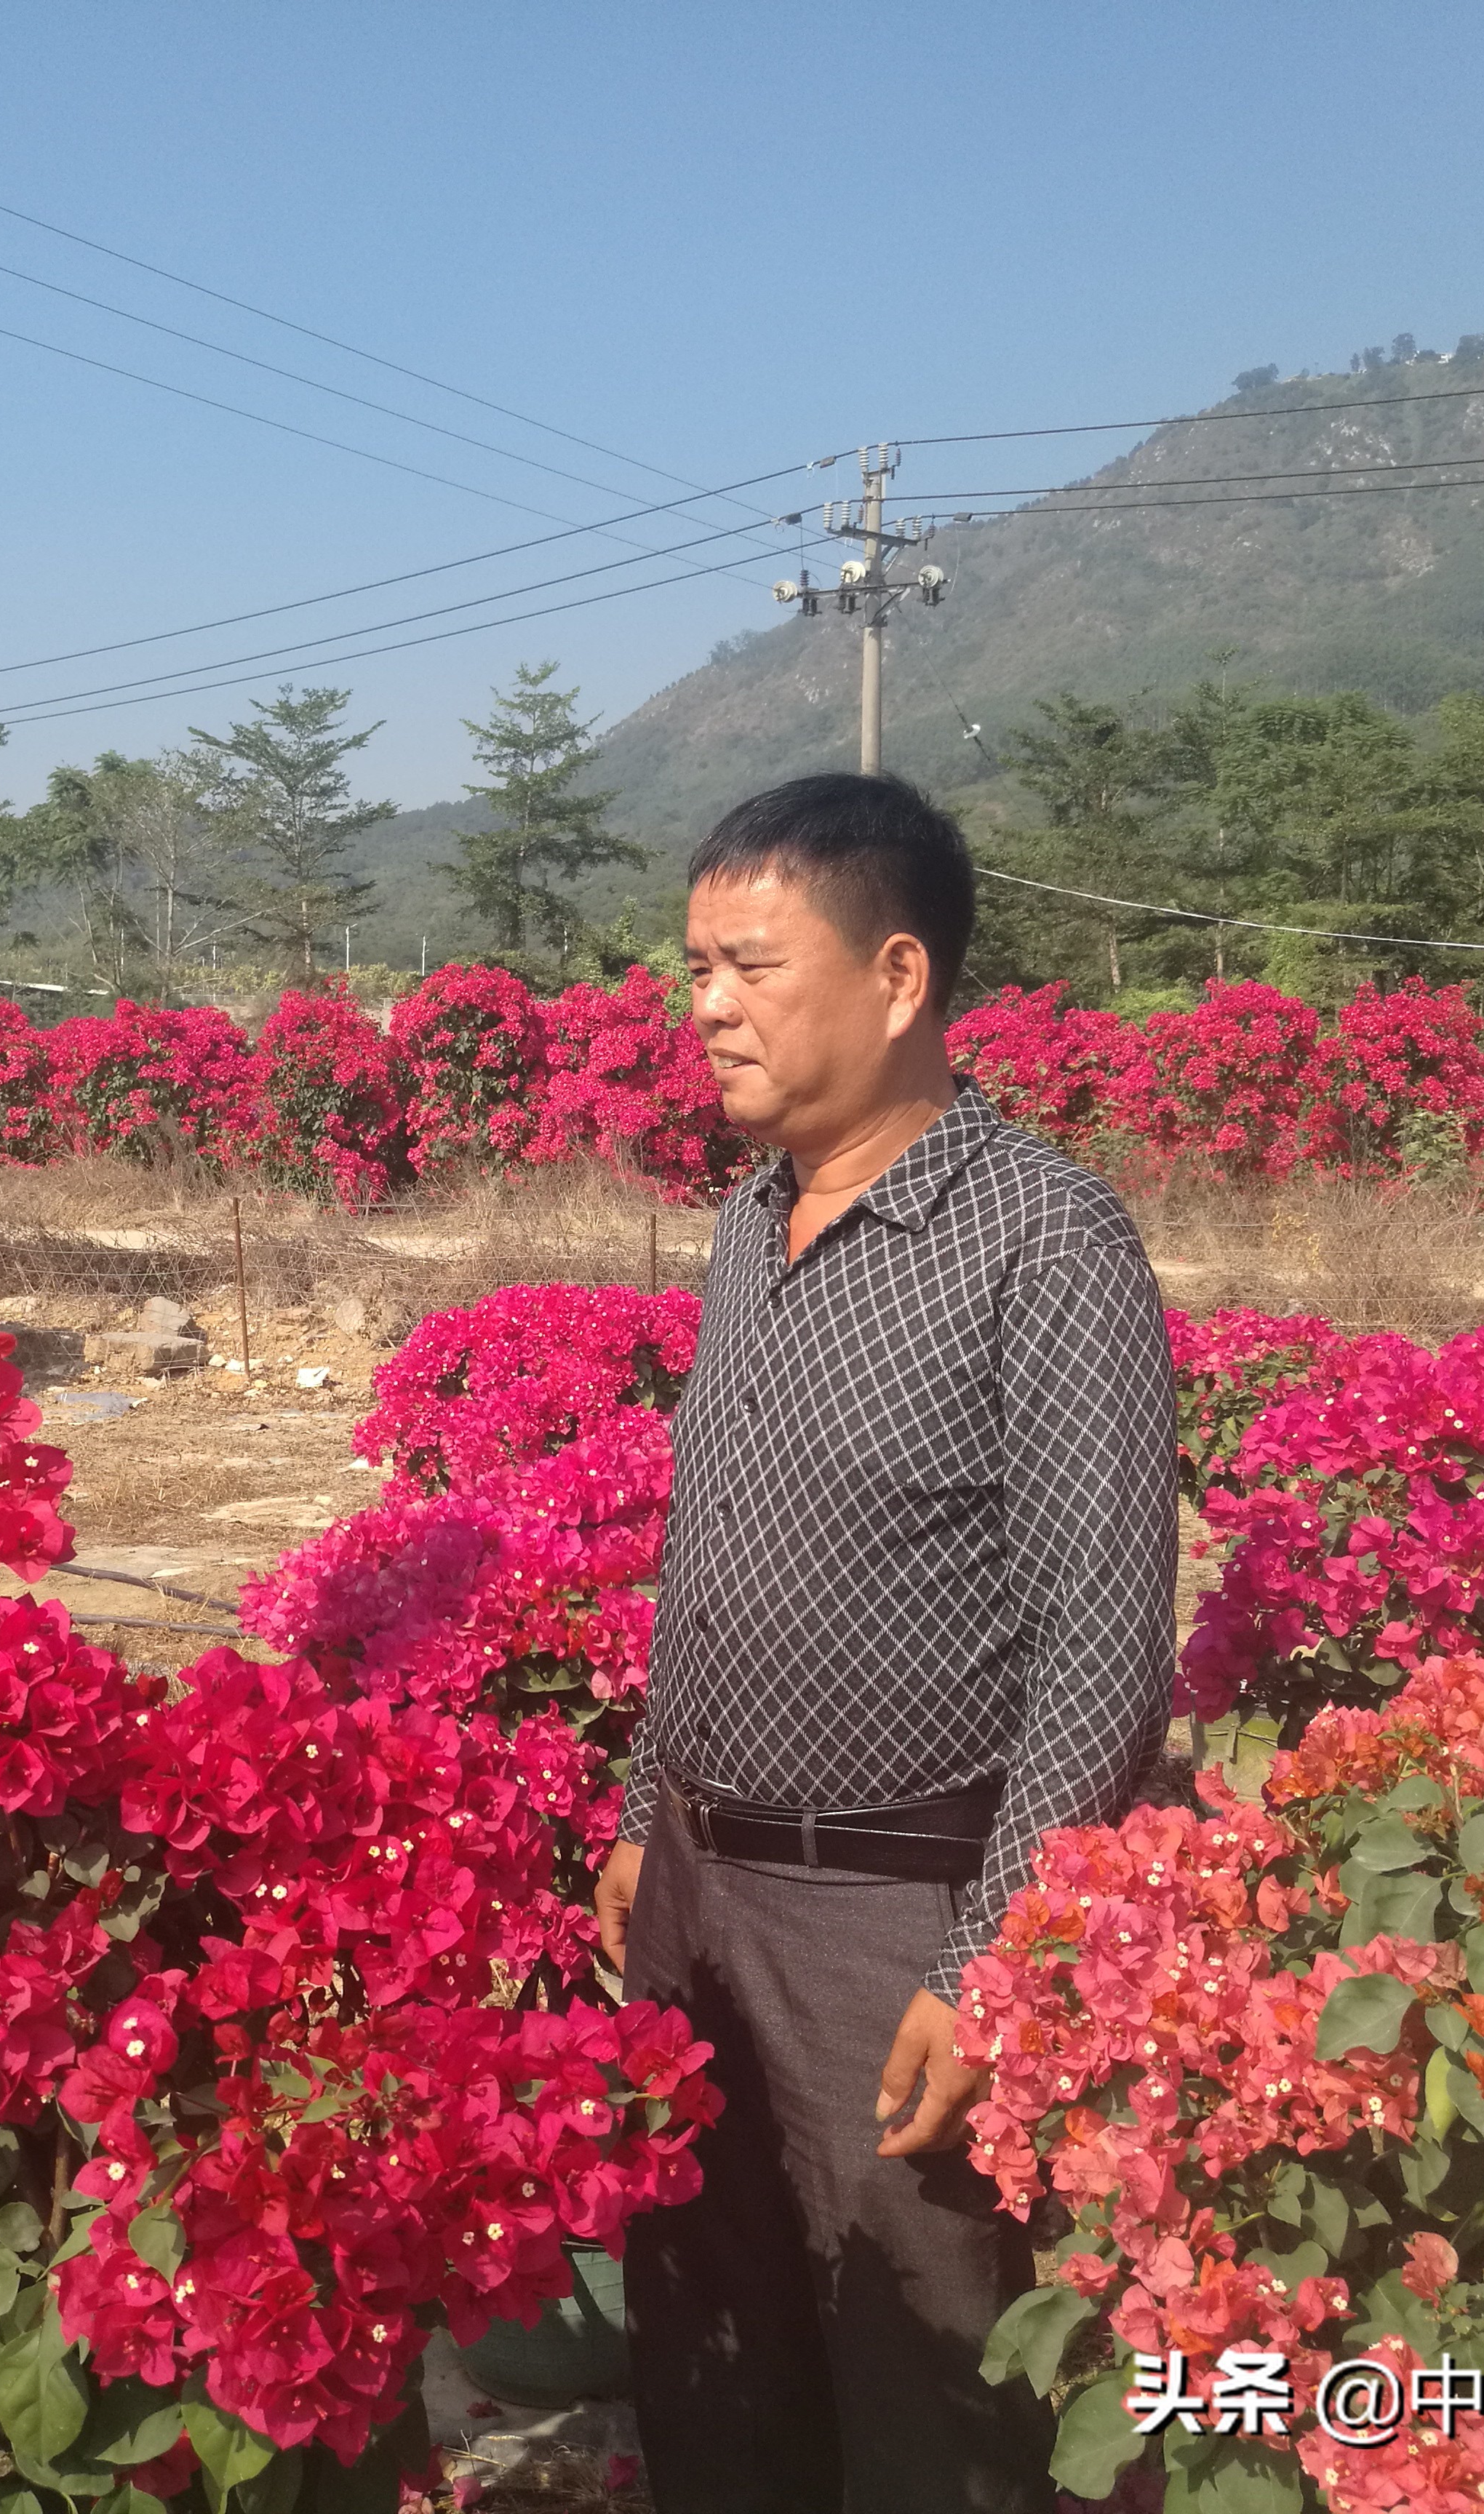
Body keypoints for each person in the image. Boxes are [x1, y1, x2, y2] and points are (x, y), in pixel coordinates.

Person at [594, 773, 1178, 2514]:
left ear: (902, 977)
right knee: (714, 2354)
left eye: (752, 965)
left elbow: (1101, 1634)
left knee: (933, 2381)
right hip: (705, 1894)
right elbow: (711, 1551)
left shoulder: (1043, 1241)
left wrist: (996, 1953)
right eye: (694, 966)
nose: (705, 1007)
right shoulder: (746, 1226)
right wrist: (645, 1813)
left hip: (896, 1923)